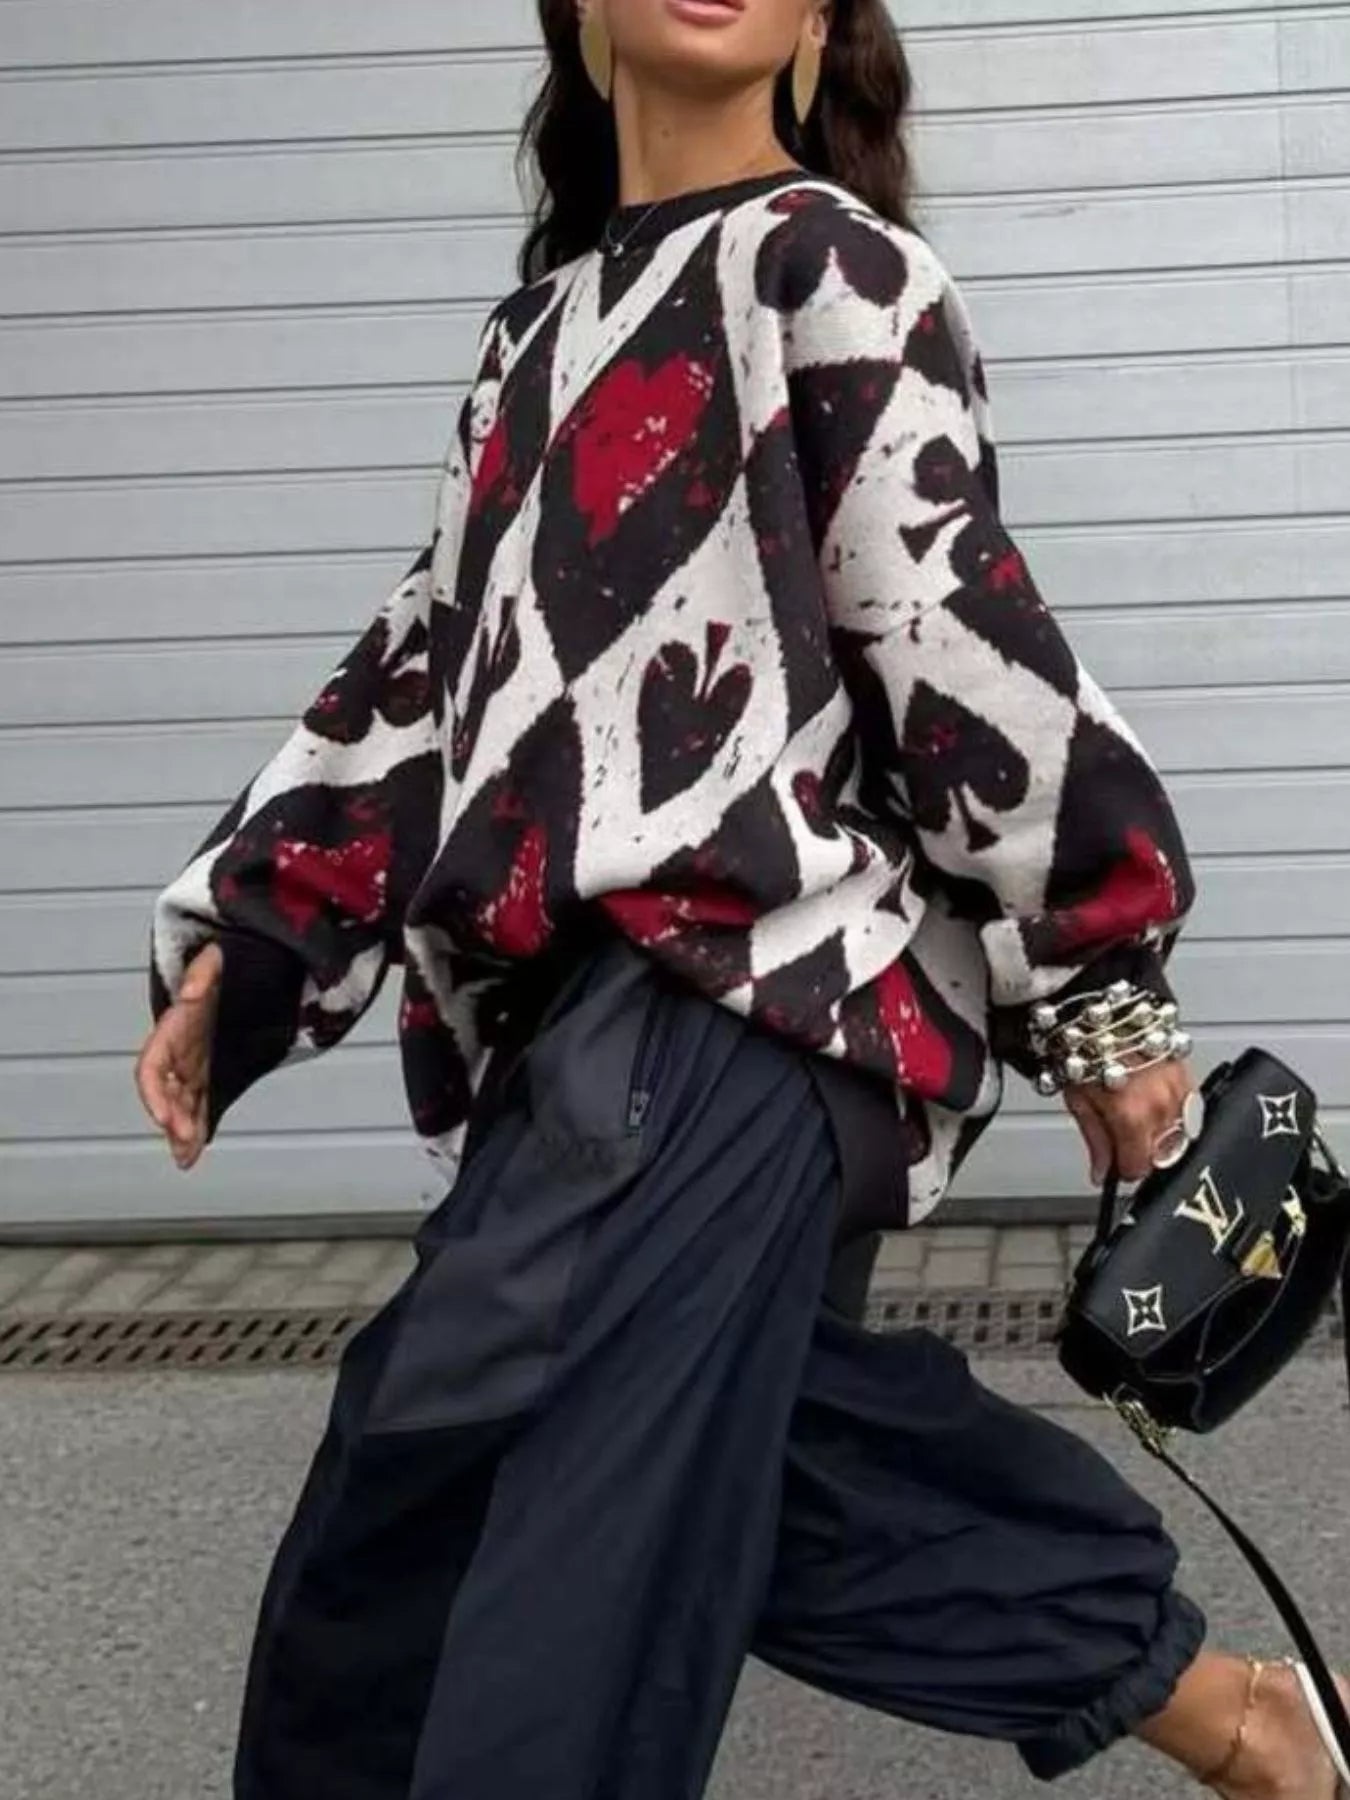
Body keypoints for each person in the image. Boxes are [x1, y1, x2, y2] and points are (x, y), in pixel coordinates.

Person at [133, 2, 1349, 1796]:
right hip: (589, 1036)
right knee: (719, 1453)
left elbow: (953, 631)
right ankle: (1236, 1719)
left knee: (457, 1541)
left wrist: (1101, 979)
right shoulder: (534, 332)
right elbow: (424, 674)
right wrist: (252, 948)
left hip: (749, 1003)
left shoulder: (829, 269)